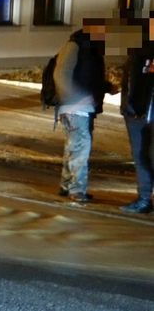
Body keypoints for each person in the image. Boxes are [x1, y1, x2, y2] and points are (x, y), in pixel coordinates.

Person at [53, 24, 111, 203]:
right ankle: (77, 190)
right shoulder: (75, 46)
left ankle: (66, 185)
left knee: (74, 146)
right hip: (75, 107)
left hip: (82, 107)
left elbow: (89, 78)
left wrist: (107, 88)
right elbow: (61, 75)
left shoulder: (90, 50)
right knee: (80, 147)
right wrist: (75, 98)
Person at [119, 18, 154, 213]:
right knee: (141, 156)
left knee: (145, 156)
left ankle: (144, 199)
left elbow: (134, 84)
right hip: (136, 112)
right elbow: (130, 83)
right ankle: (144, 198)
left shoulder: (139, 55)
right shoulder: (136, 56)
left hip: (141, 112)